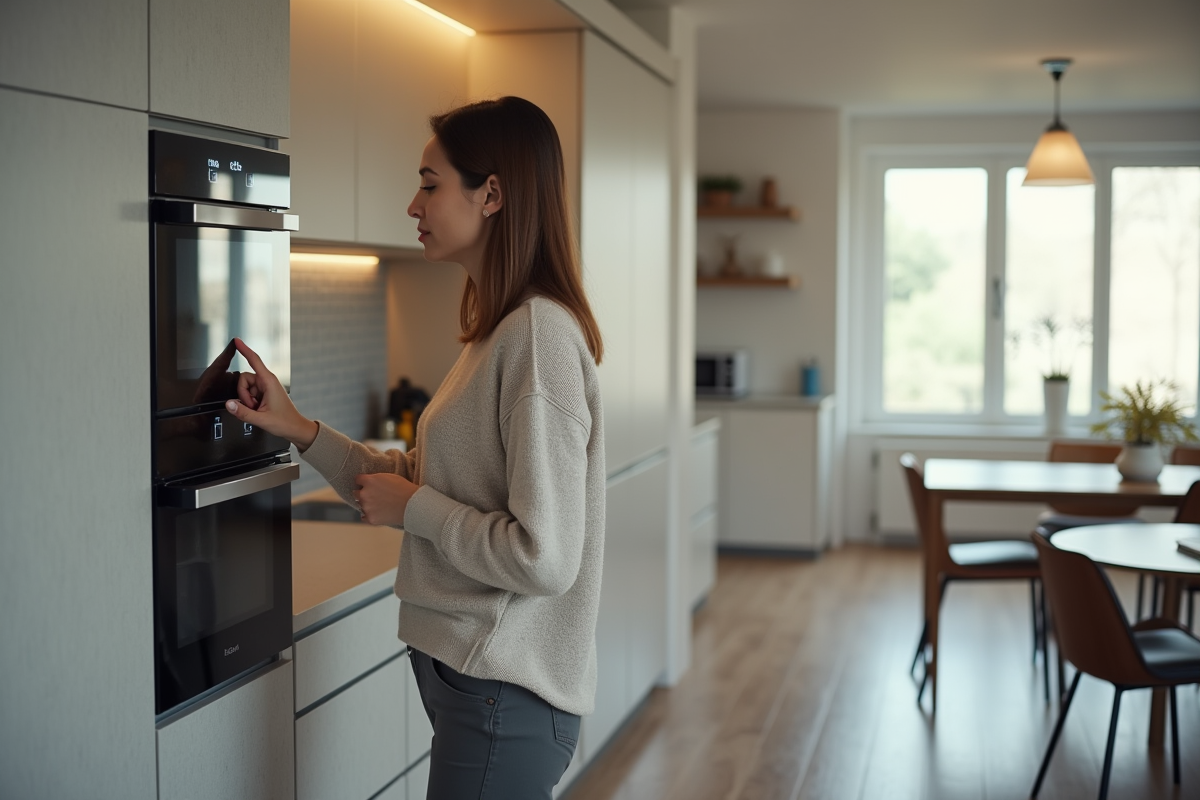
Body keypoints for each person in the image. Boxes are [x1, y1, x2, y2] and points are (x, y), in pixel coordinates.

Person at [224, 96, 606, 799]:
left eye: (430, 184)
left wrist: (417, 509)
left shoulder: (538, 339)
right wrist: (301, 429)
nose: (413, 204)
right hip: (476, 682)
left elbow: (544, 556)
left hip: (505, 693)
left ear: (492, 194)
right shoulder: (498, 334)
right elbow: (416, 480)